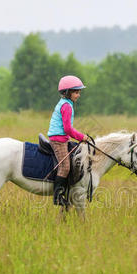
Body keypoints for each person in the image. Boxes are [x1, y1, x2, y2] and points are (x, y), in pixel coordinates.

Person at [47, 75, 87, 207]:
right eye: (76, 92)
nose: (78, 95)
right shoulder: (67, 106)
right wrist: (82, 137)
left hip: (62, 138)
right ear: (67, 92)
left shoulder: (66, 103)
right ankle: (58, 197)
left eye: (79, 92)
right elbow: (68, 129)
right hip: (58, 140)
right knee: (65, 166)